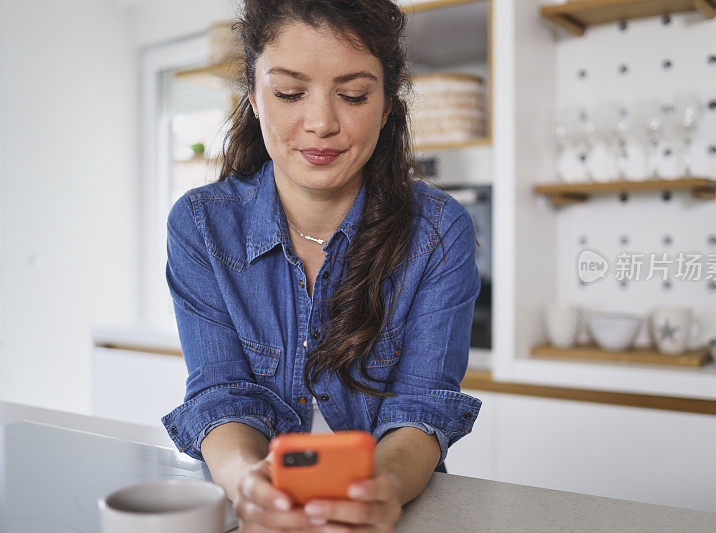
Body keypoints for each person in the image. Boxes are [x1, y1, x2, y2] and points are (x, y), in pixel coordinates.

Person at [161, 0, 482, 530]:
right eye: (289, 93)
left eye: (352, 95)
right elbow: (221, 393)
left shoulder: (439, 231)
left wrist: (382, 488)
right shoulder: (201, 227)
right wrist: (247, 480)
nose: (321, 123)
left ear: (384, 105)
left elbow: (422, 409)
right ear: (254, 99)